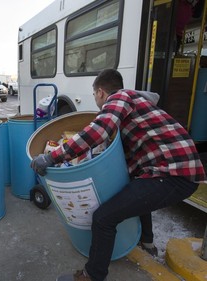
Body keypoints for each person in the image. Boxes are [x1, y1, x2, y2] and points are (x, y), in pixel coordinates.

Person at [30, 69, 206, 281]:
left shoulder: (120, 97)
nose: (96, 99)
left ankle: (92, 276)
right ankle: (147, 243)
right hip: (175, 169)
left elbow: (98, 131)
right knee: (137, 188)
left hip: (173, 172)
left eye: (94, 94)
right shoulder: (138, 104)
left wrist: (51, 158)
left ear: (101, 92)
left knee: (104, 218)